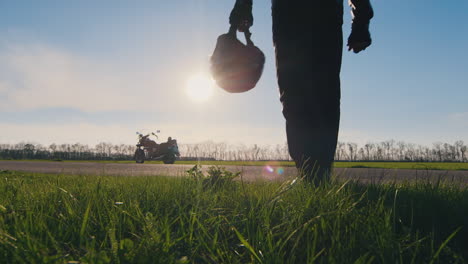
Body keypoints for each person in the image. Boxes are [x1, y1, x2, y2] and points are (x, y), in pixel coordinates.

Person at [229, 0, 374, 185]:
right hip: (288, 17)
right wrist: (243, 6)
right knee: (293, 96)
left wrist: (361, 20)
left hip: (323, 15)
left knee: (324, 96)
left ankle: (319, 175)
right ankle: (308, 174)